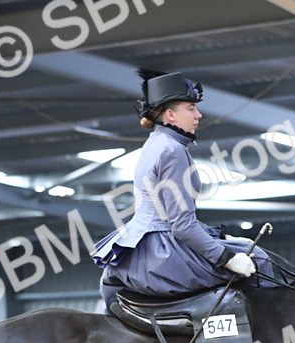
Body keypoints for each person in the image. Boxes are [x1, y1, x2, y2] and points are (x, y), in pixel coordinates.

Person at [91, 69, 275, 311]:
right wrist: (226, 258)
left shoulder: (155, 143)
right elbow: (181, 225)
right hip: (162, 254)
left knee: (241, 248)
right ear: (170, 115)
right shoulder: (173, 151)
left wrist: (221, 238)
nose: (198, 115)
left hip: (138, 250)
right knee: (258, 259)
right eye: (190, 108)